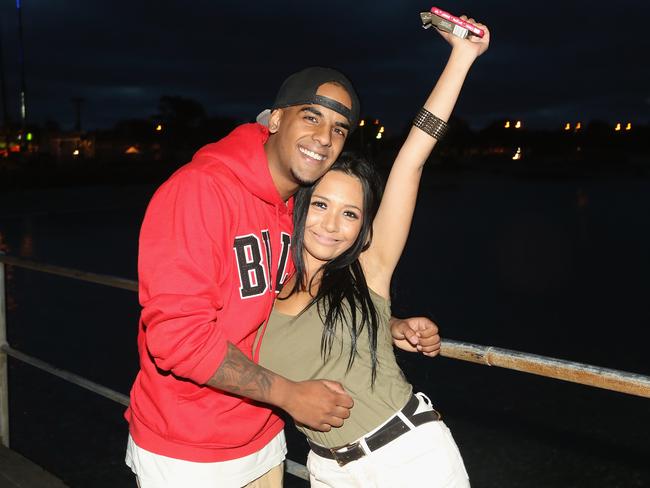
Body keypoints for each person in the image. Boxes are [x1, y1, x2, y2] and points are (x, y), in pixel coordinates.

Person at [124, 65, 436, 487]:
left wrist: (385, 323)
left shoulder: (301, 209)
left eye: (339, 128)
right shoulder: (199, 191)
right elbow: (177, 339)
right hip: (188, 446)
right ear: (274, 119)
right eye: (312, 116)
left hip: (265, 434)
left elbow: (307, 299)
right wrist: (288, 394)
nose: (325, 137)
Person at [256, 16, 490, 487]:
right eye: (321, 204)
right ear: (300, 206)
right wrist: (391, 325)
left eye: (350, 214)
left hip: (410, 458)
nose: (331, 224)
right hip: (326, 468)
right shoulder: (259, 284)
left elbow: (413, 158)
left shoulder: (368, 271)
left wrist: (461, 58)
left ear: (364, 228)